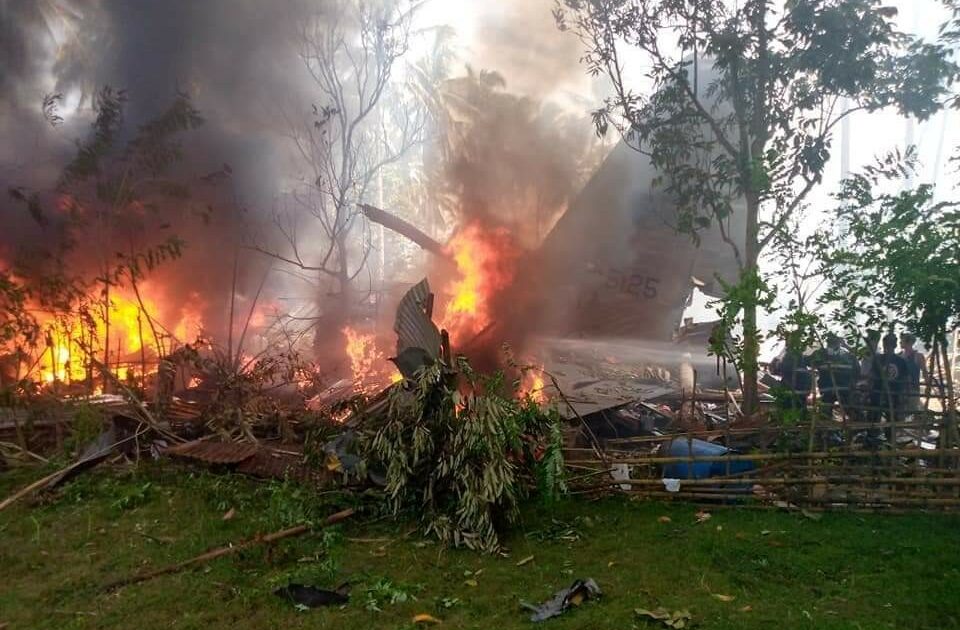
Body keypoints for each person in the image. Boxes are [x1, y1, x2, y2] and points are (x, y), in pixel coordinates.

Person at [870, 332, 909, 435]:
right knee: (877, 418)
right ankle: (877, 438)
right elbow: (872, 375)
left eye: (890, 344)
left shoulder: (900, 361)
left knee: (888, 419)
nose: (889, 346)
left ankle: (885, 439)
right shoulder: (879, 359)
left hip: (892, 394)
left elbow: (905, 379)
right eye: (888, 343)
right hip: (880, 393)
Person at [811, 333, 858, 415]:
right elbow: (810, 362)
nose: (832, 345)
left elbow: (856, 368)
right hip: (826, 386)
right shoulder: (821, 353)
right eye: (830, 342)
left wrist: (853, 382)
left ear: (839, 344)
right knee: (826, 410)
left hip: (844, 387)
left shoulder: (846, 355)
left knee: (851, 409)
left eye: (835, 342)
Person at [898, 332, 926, 415]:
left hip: (913, 390)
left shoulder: (918, 356)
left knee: (911, 412)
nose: (900, 343)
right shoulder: (899, 356)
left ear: (909, 342)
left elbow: (925, 372)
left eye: (902, 341)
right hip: (900, 390)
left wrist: (928, 386)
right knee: (900, 414)